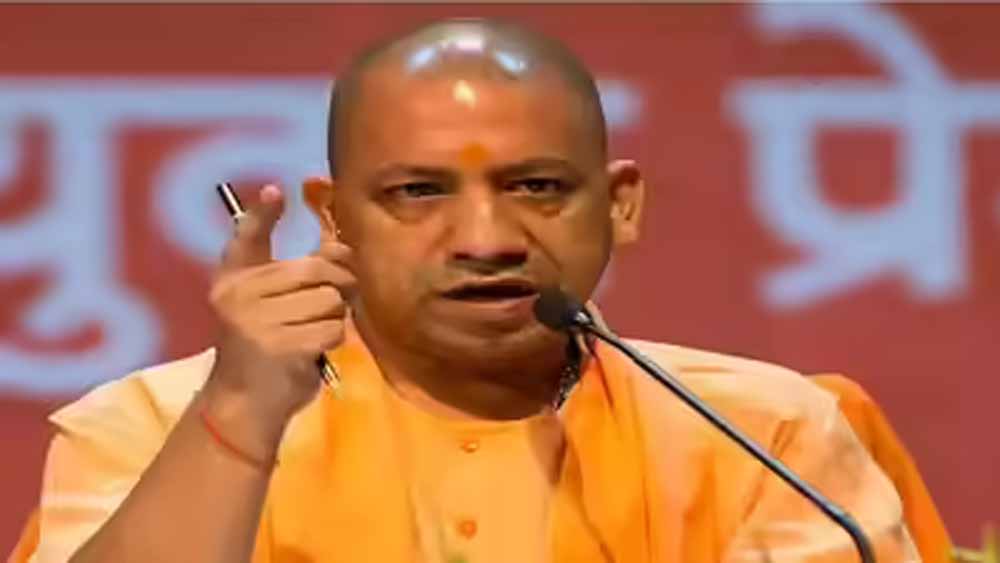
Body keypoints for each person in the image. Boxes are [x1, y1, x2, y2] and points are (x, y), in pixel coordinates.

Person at [22, 18, 920, 563]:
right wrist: (238, 420)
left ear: (620, 205)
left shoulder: (764, 435)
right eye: (419, 192)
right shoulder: (150, 425)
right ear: (335, 218)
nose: (486, 240)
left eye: (538, 187)